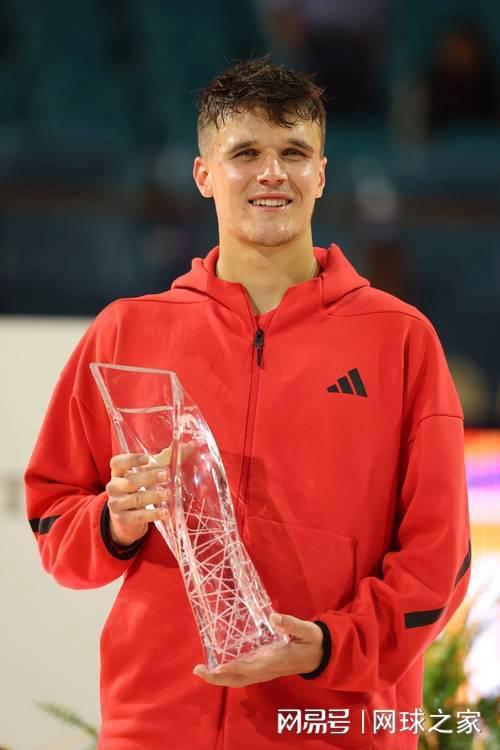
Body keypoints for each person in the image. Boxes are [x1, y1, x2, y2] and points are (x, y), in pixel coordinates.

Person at [25, 57, 471, 749]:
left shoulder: (400, 339)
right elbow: (53, 517)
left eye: (294, 152)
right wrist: (114, 523)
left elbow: (441, 558)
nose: (272, 173)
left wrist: (329, 646)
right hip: (155, 727)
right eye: (245, 154)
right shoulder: (126, 331)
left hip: (330, 725)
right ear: (204, 174)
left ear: (321, 174)